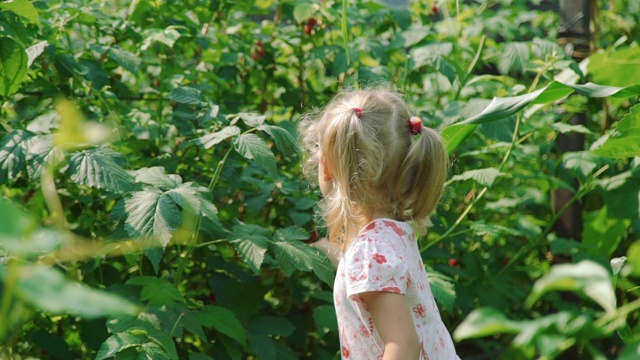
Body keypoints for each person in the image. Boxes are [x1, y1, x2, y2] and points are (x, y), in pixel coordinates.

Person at [300, 89, 459, 360]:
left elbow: (404, 346)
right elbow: (377, 275)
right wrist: (334, 253)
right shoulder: (391, 233)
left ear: (327, 166)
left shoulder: (369, 251)